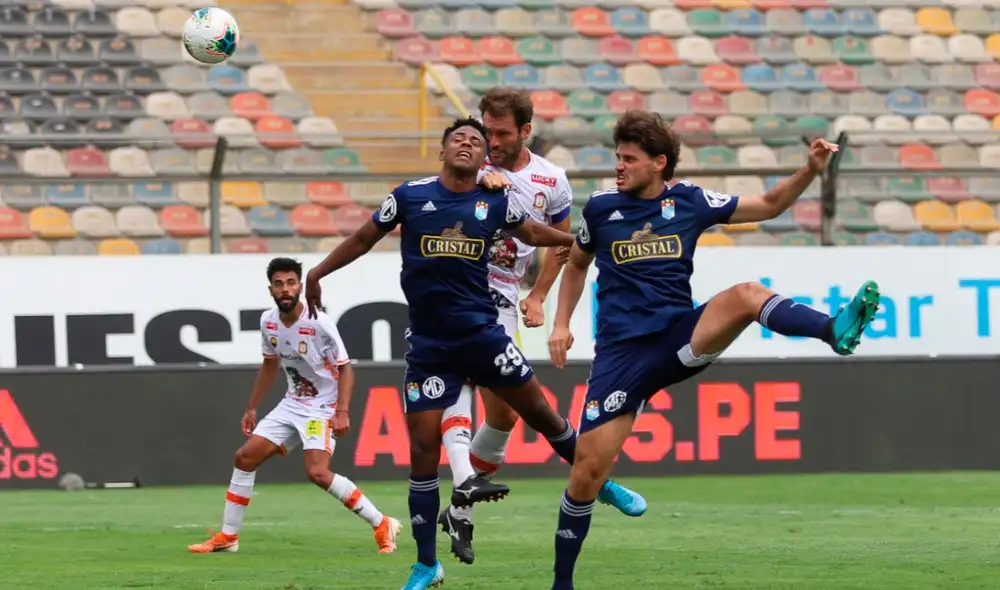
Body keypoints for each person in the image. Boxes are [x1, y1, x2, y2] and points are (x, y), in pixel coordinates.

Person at [304, 117, 644, 590]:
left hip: (483, 337)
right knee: (423, 453)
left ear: (484, 157)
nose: (466, 144)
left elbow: (532, 232)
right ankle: (427, 565)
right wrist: (316, 273)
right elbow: (364, 238)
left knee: (542, 414)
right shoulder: (409, 196)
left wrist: (580, 241)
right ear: (442, 151)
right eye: (458, 139)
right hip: (429, 347)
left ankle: (600, 484)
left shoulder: (494, 200)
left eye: (476, 141)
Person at [546, 110, 881, 590]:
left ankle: (832, 329)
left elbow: (768, 205)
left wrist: (810, 170)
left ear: (659, 163)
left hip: (678, 338)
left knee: (746, 295)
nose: (619, 166)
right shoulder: (601, 208)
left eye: (629, 159)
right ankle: (562, 583)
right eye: (617, 157)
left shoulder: (690, 200)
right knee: (587, 473)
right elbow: (577, 264)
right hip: (621, 357)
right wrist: (561, 323)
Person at [440, 88, 647, 566]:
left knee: (506, 415)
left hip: (505, 296)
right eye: (486, 131)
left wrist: (537, 295)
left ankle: (458, 509)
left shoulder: (551, 180)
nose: (491, 141)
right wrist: (477, 178)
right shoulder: (471, 165)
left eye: (501, 133)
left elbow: (560, 244)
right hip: (458, 288)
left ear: (526, 131)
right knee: (472, 387)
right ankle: (596, 479)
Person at [188, 257, 401, 555]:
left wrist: (341, 411)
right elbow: (269, 364)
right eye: (279, 284)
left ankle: (381, 523)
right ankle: (228, 536)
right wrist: (252, 407)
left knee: (317, 472)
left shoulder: (319, 323)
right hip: (292, 404)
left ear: (300, 286)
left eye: (290, 283)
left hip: (321, 409)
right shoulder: (268, 321)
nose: (285, 289)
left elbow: (346, 368)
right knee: (245, 458)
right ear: (271, 290)